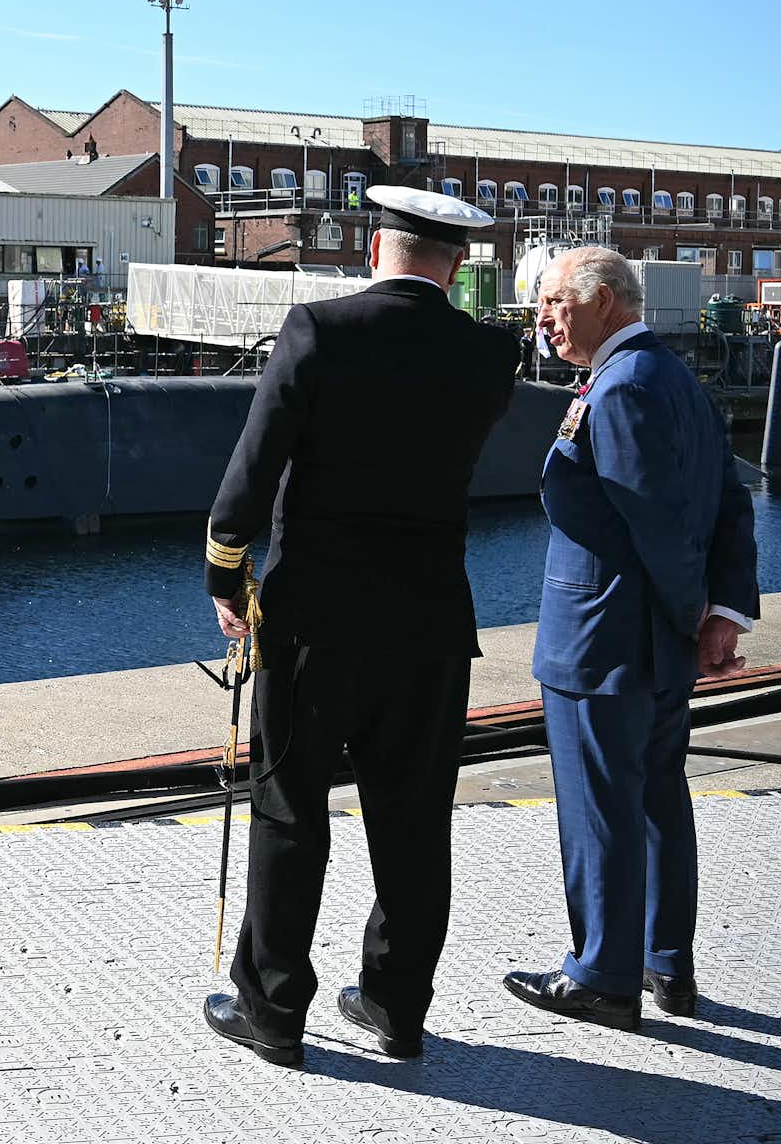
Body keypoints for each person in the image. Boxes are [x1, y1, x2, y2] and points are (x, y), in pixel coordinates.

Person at [200, 185, 523, 1068]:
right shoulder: (491, 354)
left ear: (375, 247)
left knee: (291, 809)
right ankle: (395, 1007)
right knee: (415, 818)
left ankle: (273, 1010)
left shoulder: (317, 330)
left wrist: (227, 570)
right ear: (455, 265)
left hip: (316, 620)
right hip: (428, 623)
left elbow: (254, 467)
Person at [502, 247, 758, 1030]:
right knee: (655, 802)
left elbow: (655, 525)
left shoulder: (623, 388)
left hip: (605, 641)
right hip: (652, 645)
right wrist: (724, 613)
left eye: (554, 302)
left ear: (604, 301)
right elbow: (729, 502)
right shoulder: (675, 379)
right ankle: (663, 966)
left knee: (599, 810)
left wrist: (694, 617)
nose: (542, 317)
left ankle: (602, 977)